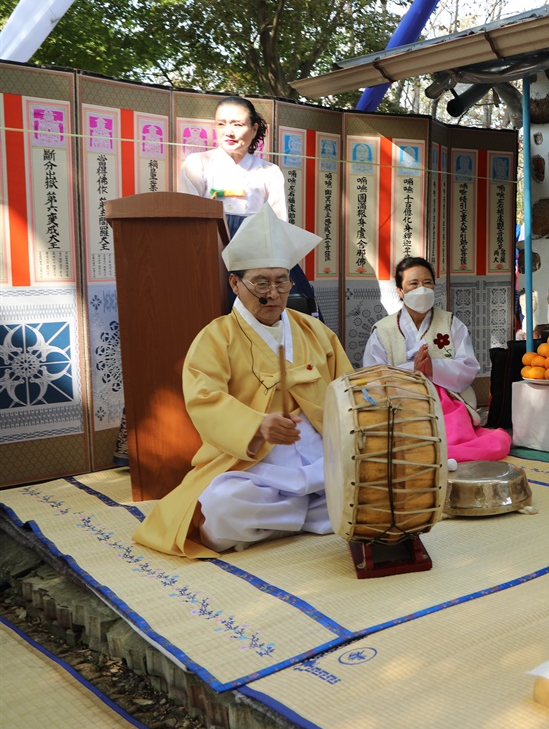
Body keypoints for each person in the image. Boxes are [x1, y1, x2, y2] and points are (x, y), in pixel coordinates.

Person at [133, 210, 352, 558]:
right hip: (256, 467)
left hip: (321, 459)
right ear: (235, 284)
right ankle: (313, 516)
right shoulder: (216, 338)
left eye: (281, 282)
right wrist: (259, 426)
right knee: (221, 509)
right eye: (261, 283)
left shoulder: (316, 333)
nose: (274, 294)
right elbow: (204, 400)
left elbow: (347, 390)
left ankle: (293, 517)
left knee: (380, 480)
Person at [177, 96, 318, 317]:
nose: (228, 132)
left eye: (237, 124)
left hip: (259, 250)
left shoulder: (268, 171)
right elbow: (187, 214)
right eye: (221, 124)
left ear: (253, 129)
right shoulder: (198, 163)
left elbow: (278, 222)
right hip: (209, 249)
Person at [363, 257, 511, 462]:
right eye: (413, 284)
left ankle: (443, 450)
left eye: (427, 283)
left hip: (445, 398)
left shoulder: (451, 323)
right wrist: (411, 371)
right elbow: (373, 377)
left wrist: (433, 367)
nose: (421, 289)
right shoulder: (383, 330)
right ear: (400, 291)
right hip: (400, 401)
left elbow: (468, 367)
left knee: (450, 427)